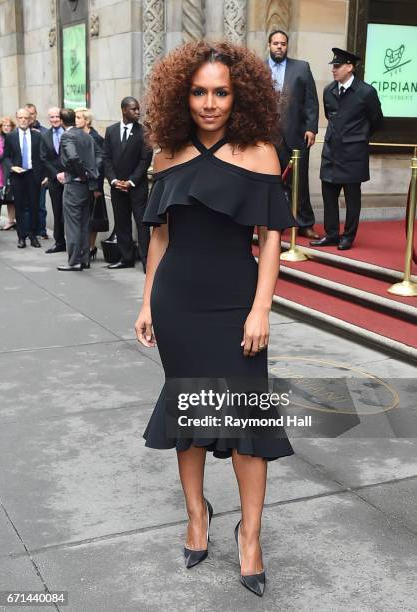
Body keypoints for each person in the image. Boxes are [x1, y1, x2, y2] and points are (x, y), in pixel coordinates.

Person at [135, 41, 296, 597]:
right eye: (199, 92)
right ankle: (196, 516)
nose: (209, 103)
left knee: (248, 423)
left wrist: (261, 308)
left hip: (236, 301)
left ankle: (250, 536)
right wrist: (146, 300)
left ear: (239, 94)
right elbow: (160, 235)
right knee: (190, 416)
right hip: (177, 301)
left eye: (220, 92)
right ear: (183, 95)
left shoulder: (260, 153)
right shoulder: (166, 155)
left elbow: (272, 236)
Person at [311, 48, 383, 250]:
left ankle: (348, 236)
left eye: (337, 66)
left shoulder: (366, 92)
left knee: (352, 199)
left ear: (350, 67)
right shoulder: (328, 91)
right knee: (329, 195)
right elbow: (330, 116)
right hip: (331, 153)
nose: (333, 70)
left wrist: (359, 138)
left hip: (354, 155)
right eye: (333, 66)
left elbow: (377, 120)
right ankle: (332, 234)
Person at [267, 29, 319, 239]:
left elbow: (311, 101)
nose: (279, 47)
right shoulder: (259, 69)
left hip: (297, 135)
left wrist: (311, 128)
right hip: (268, 138)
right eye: (275, 43)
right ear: (269, 45)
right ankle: (277, 222)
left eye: (283, 44)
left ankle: (304, 224)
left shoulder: (301, 68)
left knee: (300, 182)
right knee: (272, 182)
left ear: (287, 46)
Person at [103, 96, 152, 271]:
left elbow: (145, 160)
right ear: (124, 110)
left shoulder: (144, 132)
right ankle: (126, 258)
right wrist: (114, 180)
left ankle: (147, 260)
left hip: (136, 187)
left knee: (142, 224)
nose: (137, 112)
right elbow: (106, 158)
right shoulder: (111, 131)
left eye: (138, 109)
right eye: (134, 109)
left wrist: (131, 181)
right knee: (122, 223)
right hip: (117, 187)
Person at [58, 108, 101, 271]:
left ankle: (75, 261)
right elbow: (99, 155)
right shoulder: (86, 135)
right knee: (83, 223)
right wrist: (92, 172)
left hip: (75, 185)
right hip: (86, 186)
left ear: (62, 121)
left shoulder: (68, 135)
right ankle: (84, 259)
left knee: (73, 225)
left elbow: (73, 156)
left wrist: (83, 173)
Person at [3, 108, 43, 248]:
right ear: (17, 119)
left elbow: (42, 157)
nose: (23, 120)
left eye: (26, 118)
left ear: (30, 119)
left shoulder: (37, 136)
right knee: (19, 206)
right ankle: (21, 236)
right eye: (20, 118)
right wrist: (11, 167)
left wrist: (43, 176)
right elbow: (6, 156)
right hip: (17, 175)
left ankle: (33, 235)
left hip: (33, 175)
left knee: (34, 205)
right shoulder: (11, 136)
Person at [75, 108, 108, 261]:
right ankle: (85, 247)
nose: (76, 120)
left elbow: (100, 165)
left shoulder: (96, 138)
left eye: (78, 117)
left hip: (93, 184)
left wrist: (96, 187)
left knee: (93, 217)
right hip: (80, 184)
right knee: (82, 216)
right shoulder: (76, 136)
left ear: (87, 120)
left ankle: (90, 247)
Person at [40, 107, 66, 253]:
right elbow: (44, 158)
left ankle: (74, 243)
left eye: (57, 116)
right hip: (55, 180)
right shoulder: (45, 136)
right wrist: (56, 174)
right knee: (57, 211)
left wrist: (66, 173)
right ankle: (59, 242)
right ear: (48, 119)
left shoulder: (69, 133)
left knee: (69, 213)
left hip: (70, 178)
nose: (55, 119)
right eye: (52, 117)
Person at [26, 103, 49, 240]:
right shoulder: (19, 133)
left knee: (40, 205)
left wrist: (46, 175)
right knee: (27, 205)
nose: (30, 116)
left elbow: (48, 156)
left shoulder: (44, 132)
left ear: (36, 114)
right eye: (27, 114)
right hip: (25, 174)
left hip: (40, 175)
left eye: (32, 113)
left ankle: (41, 231)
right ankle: (29, 231)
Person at [0, 116, 17, 231]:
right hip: (0, 172)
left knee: (11, 198)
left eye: (8, 125)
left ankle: (11, 221)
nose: (6, 127)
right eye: (4, 125)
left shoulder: (14, 138)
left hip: (12, 171)